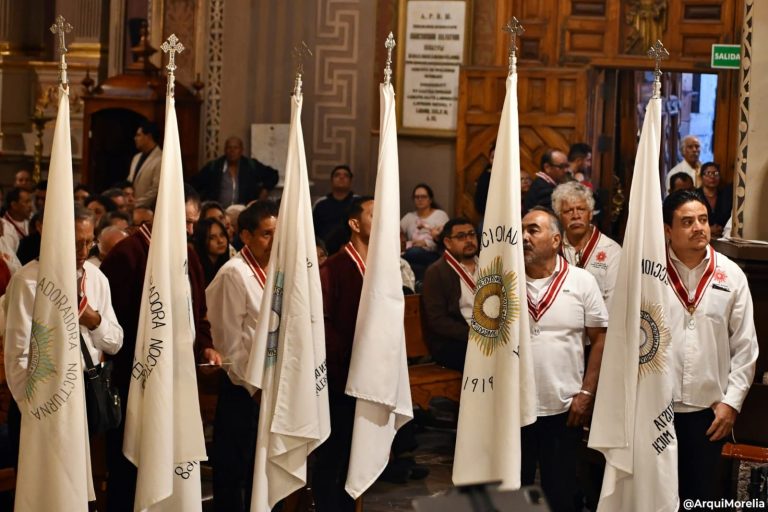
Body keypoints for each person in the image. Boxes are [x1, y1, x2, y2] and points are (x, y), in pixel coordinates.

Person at [99, 187, 221, 511]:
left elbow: (200, 314)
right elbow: (110, 322)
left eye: (194, 223)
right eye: (186, 222)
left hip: (179, 383)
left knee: (174, 466)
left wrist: (206, 347)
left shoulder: (189, 256)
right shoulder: (127, 254)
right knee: (130, 474)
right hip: (133, 384)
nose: (192, 231)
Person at [4, 206, 123, 460]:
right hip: (43, 398)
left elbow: (115, 342)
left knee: (77, 488)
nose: (83, 252)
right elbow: (18, 356)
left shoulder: (96, 278)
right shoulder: (28, 281)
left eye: (89, 243)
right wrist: (35, 410)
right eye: (76, 243)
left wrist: (95, 321)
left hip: (83, 394)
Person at [662, 190, 758, 505]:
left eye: (702, 219)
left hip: (709, 415)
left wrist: (732, 403)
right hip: (656, 410)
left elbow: (745, 347)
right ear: (667, 230)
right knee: (658, 500)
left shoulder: (731, 275)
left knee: (700, 498)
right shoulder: (649, 274)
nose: (699, 228)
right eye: (687, 222)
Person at [520, 207, 608, 512]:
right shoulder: (506, 281)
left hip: (563, 407)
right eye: (522, 230)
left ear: (556, 240)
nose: (524, 237)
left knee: (560, 495)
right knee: (516, 496)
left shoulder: (582, 281)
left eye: (533, 230)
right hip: (514, 408)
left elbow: (600, 339)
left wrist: (587, 393)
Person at [205, 200, 277, 512]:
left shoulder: (275, 270)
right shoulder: (234, 273)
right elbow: (229, 343)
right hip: (243, 389)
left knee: (262, 471)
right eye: (266, 234)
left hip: (271, 384)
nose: (274, 241)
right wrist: (254, 388)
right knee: (234, 472)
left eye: (277, 233)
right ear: (245, 236)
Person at [314, 196, 374, 512]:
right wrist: (347, 354)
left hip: (371, 376)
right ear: (354, 223)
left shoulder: (380, 267)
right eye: (373, 215)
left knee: (357, 455)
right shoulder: (335, 267)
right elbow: (321, 320)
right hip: (341, 376)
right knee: (333, 456)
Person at [421, 217, 478, 371]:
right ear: (447, 242)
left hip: (487, 335)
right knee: (484, 356)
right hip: (454, 341)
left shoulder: (488, 265)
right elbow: (437, 320)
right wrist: (474, 335)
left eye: (472, 235)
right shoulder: (436, 272)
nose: (469, 240)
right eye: (461, 237)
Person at [552, 182, 620, 307]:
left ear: (590, 214)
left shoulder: (612, 251)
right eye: (568, 211)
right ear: (559, 217)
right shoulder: (553, 249)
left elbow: (613, 304)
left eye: (581, 209)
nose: (576, 216)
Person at [193, 136, 278, 207]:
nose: (232, 151)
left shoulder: (251, 166)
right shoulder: (214, 166)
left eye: (235, 148)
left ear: (241, 150)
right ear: (225, 150)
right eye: (229, 147)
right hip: (218, 212)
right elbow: (195, 184)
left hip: (244, 212)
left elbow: (273, 175)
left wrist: (265, 190)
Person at [400, 183, 449, 280]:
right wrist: (403, 240)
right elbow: (395, 230)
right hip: (413, 252)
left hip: (433, 252)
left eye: (423, 197)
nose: (420, 199)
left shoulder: (440, 215)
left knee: (413, 253)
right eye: (417, 197)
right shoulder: (409, 217)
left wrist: (424, 243)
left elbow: (445, 237)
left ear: (430, 199)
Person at [312, 165, 357, 253]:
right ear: (331, 181)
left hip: (352, 252)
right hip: (325, 253)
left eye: (346, 176)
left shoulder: (358, 203)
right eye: (337, 175)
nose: (341, 177)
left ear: (351, 181)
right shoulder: (320, 204)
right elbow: (313, 231)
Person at [127, 120, 162, 206]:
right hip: (132, 205)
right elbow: (130, 180)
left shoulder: (161, 159)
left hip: (148, 207)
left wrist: (137, 203)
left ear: (148, 136)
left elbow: (156, 189)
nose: (135, 138)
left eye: (138, 135)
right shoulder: (136, 157)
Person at [696, 162, 732, 238]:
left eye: (716, 173)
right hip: (700, 236)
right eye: (708, 173)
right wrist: (709, 229)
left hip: (723, 237)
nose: (712, 176)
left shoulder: (726, 195)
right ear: (701, 177)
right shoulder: (695, 196)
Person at [193, 217, 230, 285]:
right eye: (212, 238)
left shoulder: (226, 264)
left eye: (222, 235)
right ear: (202, 240)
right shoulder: (197, 269)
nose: (220, 241)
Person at [1, 187, 33, 252]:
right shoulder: (4, 226)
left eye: (30, 201)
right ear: (14, 205)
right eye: (26, 202)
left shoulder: (32, 219)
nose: (30, 205)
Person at [473, 140, 495, 217]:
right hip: (488, 216)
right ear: (489, 160)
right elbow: (480, 203)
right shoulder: (485, 177)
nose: (496, 160)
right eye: (493, 157)